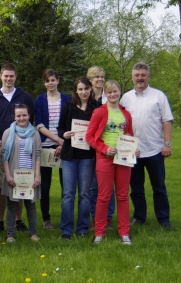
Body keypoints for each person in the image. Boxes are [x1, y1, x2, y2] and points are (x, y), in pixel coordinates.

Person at [120, 62, 173, 229]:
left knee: (159, 187)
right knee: (136, 188)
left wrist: (167, 144)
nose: (140, 78)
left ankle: (163, 220)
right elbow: (119, 123)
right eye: (137, 75)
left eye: (143, 75)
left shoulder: (159, 96)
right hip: (133, 151)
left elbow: (167, 121)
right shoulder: (125, 98)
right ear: (132, 77)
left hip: (155, 150)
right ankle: (139, 217)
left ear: (148, 76)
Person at [86, 80, 140, 245]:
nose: (112, 95)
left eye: (115, 91)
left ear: (119, 92)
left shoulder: (126, 114)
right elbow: (90, 136)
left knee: (123, 196)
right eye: (109, 92)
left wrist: (134, 149)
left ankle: (124, 232)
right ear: (105, 94)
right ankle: (99, 232)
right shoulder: (99, 112)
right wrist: (103, 148)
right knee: (103, 196)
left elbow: (129, 135)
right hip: (105, 159)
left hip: (123, 160)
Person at [0, 63, 35, 233]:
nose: (8, 79)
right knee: (0, 184)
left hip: (21, 145)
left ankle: (18, 220)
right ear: (0, 76)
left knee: (18, 180)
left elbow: (30, 120)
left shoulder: (25, 97)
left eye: (11, 76)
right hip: (0, 147)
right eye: (6, 76)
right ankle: (0, 221)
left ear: (15, 77)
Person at [57, 77, 98, 239]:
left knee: (84, 194)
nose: (84, 92)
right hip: (70, 156)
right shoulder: (68, 107)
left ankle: (82, 228)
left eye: (86, 88)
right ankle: (66, 229)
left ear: (90, 89)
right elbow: (60, 128)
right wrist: (64, 134)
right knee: (68, 193)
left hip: (87, 156)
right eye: (80, 89)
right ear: (75, 91)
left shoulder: (96, 108)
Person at [34, 69, 70, 230]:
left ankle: (66, 217)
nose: (50, 83)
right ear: (44, 83)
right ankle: (46, 219)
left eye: (53, 80)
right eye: (47, 81)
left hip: (64, 146)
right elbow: (39, 124)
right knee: (46, 184)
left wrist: (63, 144)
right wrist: (56, 139)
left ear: (58, 81)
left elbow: (69, 124)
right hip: (46, 146)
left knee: (65, 184)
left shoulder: (67, 100)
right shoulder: (40, 100)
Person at [1, 104, 41, 243]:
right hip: (13, 175)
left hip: (30, 176)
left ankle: (33, 233)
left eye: (24, 115)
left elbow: (37, 156)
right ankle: (10, 235)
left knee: (31, 205)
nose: (21, 118)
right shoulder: (8, 133)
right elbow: (4, 157)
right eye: (18, 115)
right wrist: (8, 175)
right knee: (12, 206)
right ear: (14, 117)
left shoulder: (35, 133)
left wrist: (37, 176)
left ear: (29, 115)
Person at [87, 66, 115, 230]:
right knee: (92, 186)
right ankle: (94, 218)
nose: (100, 79)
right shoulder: (85, 97)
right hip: (89, 147)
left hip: (107, 147)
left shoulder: (109, 97)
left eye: (102, 77)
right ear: (90, 79)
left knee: (107, 185)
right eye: (96, 77)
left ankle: (109, 218)